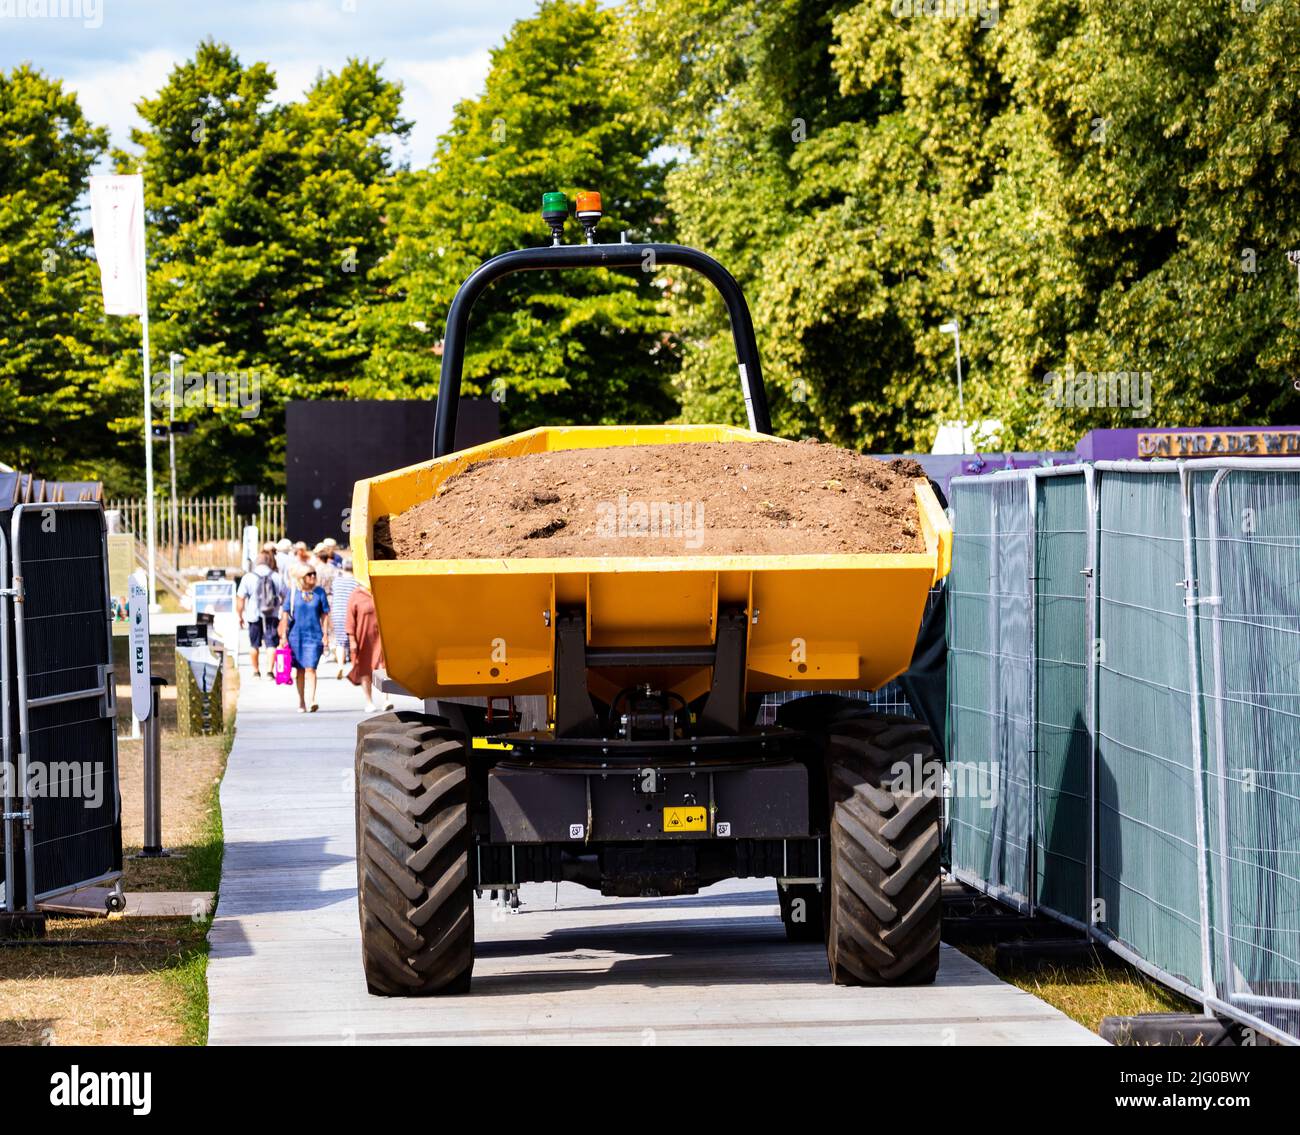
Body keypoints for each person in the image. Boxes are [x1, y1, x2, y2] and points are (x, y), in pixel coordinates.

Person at [279, 562, 329, 713]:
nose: (313, 576)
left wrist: (326, 634)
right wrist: (283, 635)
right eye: (309, 574)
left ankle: (312, 699)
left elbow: (325, 614)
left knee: (311, 668)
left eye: (314, 573)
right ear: (302, 577)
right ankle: (301, 701)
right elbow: (285, 613)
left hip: (314, 636)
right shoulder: (293, 592)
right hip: (296, 636)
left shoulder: (319, 592)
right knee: (300, 670)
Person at [235, 552, 287, 679]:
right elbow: (285, 596)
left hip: (253, 614)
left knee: (254, 644)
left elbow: (240, 598)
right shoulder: (276, 576)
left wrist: (240, 615)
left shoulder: (248, 577)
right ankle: (270, 672)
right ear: (270, 562)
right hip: (272, 613)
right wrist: (283, 613)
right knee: (271, 644)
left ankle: (256, 671)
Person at [346, 580, 391, 713]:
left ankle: (386, 699)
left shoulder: (379, 590)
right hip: (364, 638)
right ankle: (369, 701)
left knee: (383, 667)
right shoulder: (356, 595)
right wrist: (352, 639)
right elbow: (350, 619)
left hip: (381, 637)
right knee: (365, 669)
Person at [329, 557, 359, 680]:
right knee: (353, 639)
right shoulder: (356, 582)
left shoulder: (336, 581)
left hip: (337, 612)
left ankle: (340, 665)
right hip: (351, 612)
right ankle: (354, 666)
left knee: (340, 641)